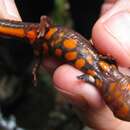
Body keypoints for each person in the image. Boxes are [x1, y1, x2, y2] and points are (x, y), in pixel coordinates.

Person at [1, 0, 130, 129]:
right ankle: (16, 71)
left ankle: (18, 71)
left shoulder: (100, 78)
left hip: (49, 40)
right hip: (48, 33)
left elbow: (89, 78)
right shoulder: (109, 70)